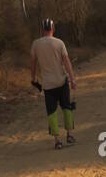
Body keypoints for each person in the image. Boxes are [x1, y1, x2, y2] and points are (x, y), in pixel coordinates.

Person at [30, 18, 77, 150]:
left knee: (52, 112)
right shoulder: (59, 43)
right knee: (67, 107)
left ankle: (57, 141)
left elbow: (33, 63)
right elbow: (67, 62)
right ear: (53, 29)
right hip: (62, 81)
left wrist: (33, 78)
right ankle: (69, 134)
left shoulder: (36, 44)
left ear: (42, 29)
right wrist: (72, 79)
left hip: (48, 84)